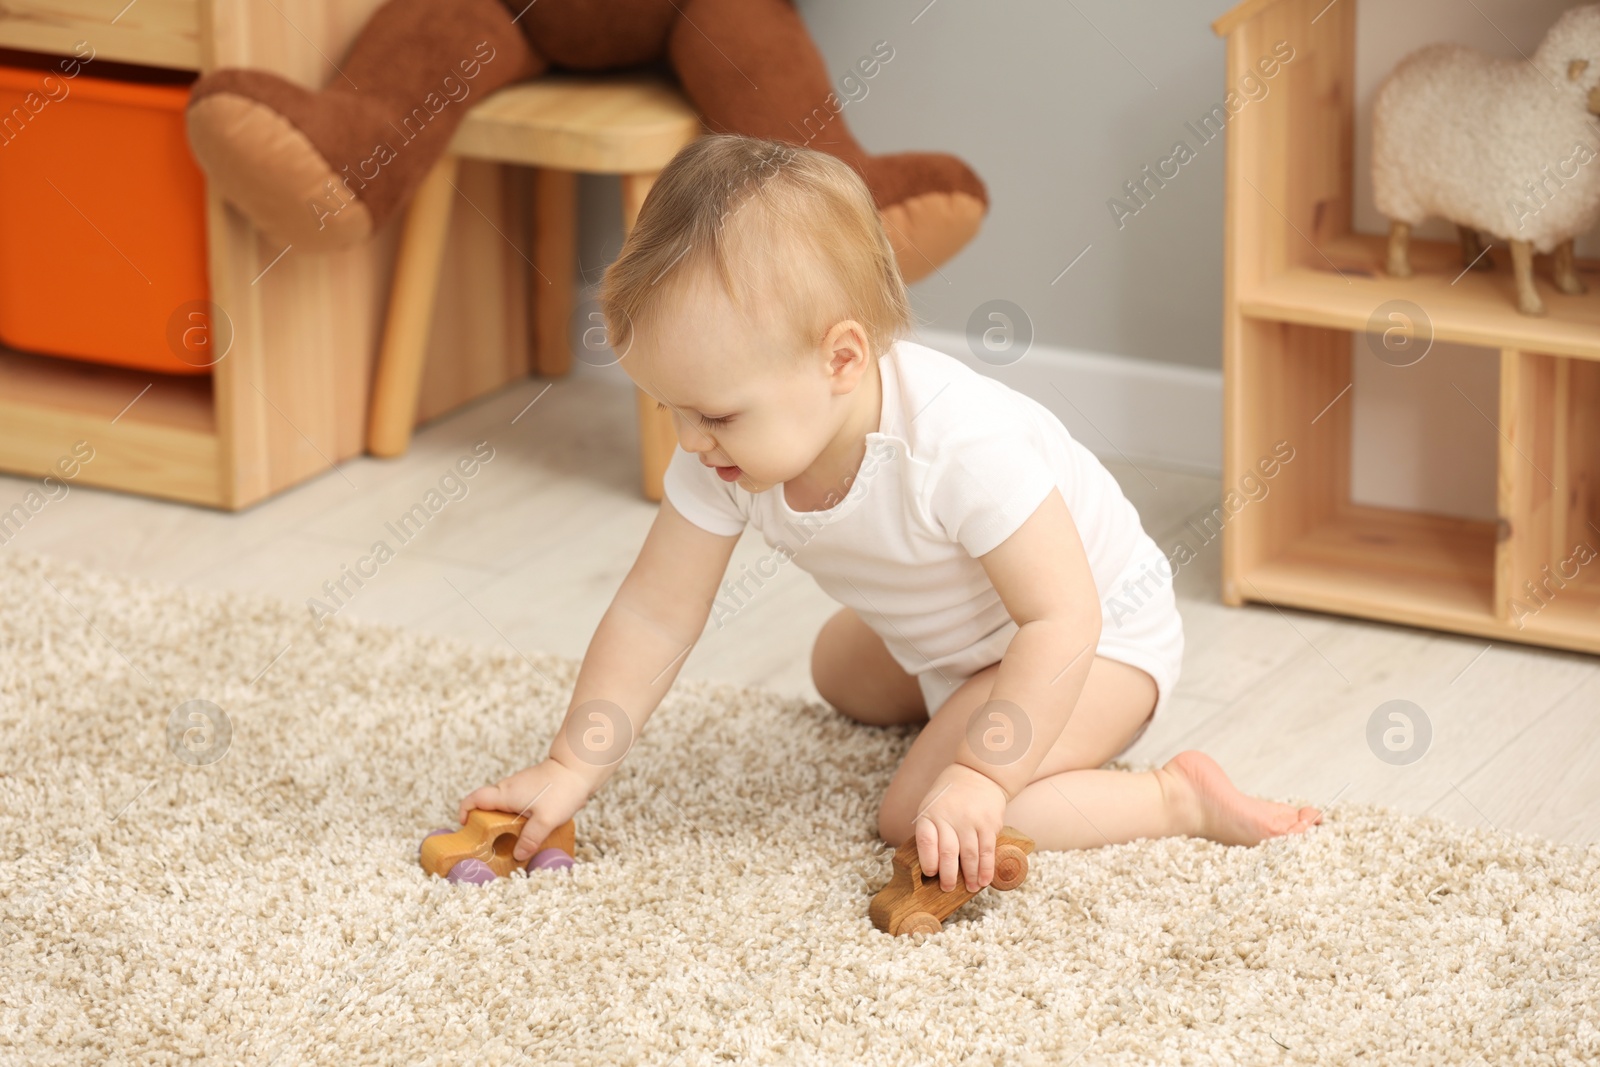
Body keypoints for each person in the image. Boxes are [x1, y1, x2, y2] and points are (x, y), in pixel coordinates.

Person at [457, 134, 1320, 893]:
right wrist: (572, 764)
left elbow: (1064, 616)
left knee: (917, 813)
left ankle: (1174, 798)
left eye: (714, 414)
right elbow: (654, 611)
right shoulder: (724, 447)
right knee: (838, 669)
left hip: (1097, 643)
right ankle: (964, 706)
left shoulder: (956, 442)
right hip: (965, 639)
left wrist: (982, 774)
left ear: (842, 358)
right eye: (665, 409)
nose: (689, 441)